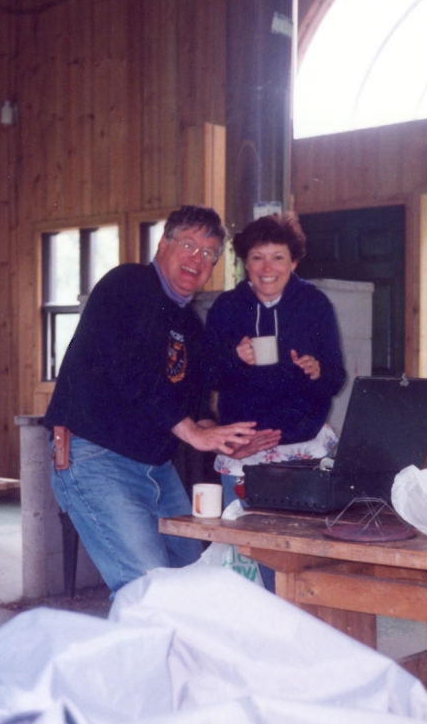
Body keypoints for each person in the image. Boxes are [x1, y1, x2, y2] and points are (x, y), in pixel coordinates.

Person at [43, 205, 275, 593]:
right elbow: (131, 371)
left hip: (156, 469)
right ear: (163, 245)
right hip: (96, 459)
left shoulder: (189, 325)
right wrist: (194, 433)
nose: (197, 258)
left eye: (208, 253)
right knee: (149, 590)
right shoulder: (127, 284)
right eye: (189, 245)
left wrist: (223, 440)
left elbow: (195, 406)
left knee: (193, 581)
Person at [204, 213, 347, 590]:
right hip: (244, 450)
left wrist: (317, 371)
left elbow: (336, 378)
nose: (267, 268)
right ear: (245, 263)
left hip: (303, 450)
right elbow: (207, 377)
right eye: (257, 257)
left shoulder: (314, 304)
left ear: (294, 261)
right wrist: (235, 359)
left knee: (302, 560)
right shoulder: (226, 308)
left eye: (278, 257)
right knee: (247, 558)